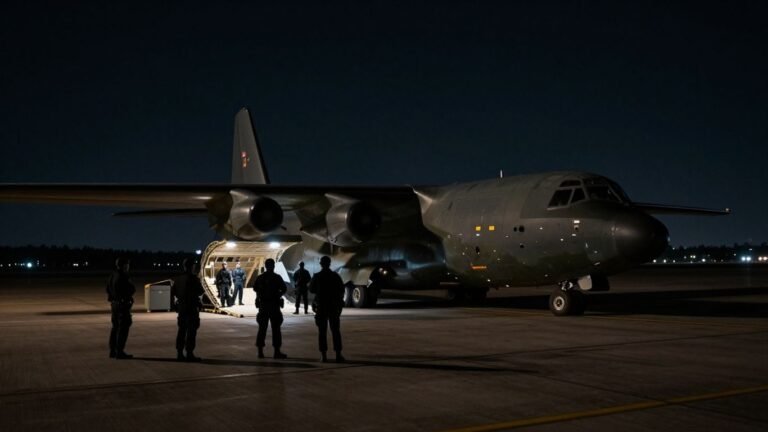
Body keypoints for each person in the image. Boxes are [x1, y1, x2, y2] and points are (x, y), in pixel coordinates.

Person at [309, 256, 345, 363]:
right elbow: (341, 290)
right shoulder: (335, 276)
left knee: (322, 332)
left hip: (322, 307)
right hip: (333, 307)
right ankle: (338, 355)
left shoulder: (317, 276)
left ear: (321, 264)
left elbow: (311, 290)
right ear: (329, 263)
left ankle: (323, 356)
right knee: (335, 331)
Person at [253, 258, 288, 359]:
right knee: (276, 329)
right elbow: (284, 289)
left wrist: (260, 296)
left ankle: (260, 352)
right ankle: (276, 352)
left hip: (263, 306)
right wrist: (278, 295)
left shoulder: (260, 277)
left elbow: (255, 288)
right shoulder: (277, 277)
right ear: (273, 266)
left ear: (265, 266)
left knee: (262, 329)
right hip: (274, 306)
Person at [171, 259, 204, 362]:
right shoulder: (193, 279)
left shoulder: (178, 279)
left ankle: (179, 353)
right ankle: (189, 353)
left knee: (181, 331)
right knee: (191, 332)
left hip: (182, 309)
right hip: (191, 309)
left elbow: (173, 293)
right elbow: (200, 291)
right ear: (191, 267)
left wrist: (176, 305)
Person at [106, 257, 136, 359]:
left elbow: (107, 289)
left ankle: (112, 351)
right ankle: (119, 351)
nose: (128, 267)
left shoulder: (112, 275)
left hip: (114, 305)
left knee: (115, 328)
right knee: (123, 329)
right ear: (124, 265)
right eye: (127, 265)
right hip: (122, 306)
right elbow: (132, 289)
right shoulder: (123, 276)